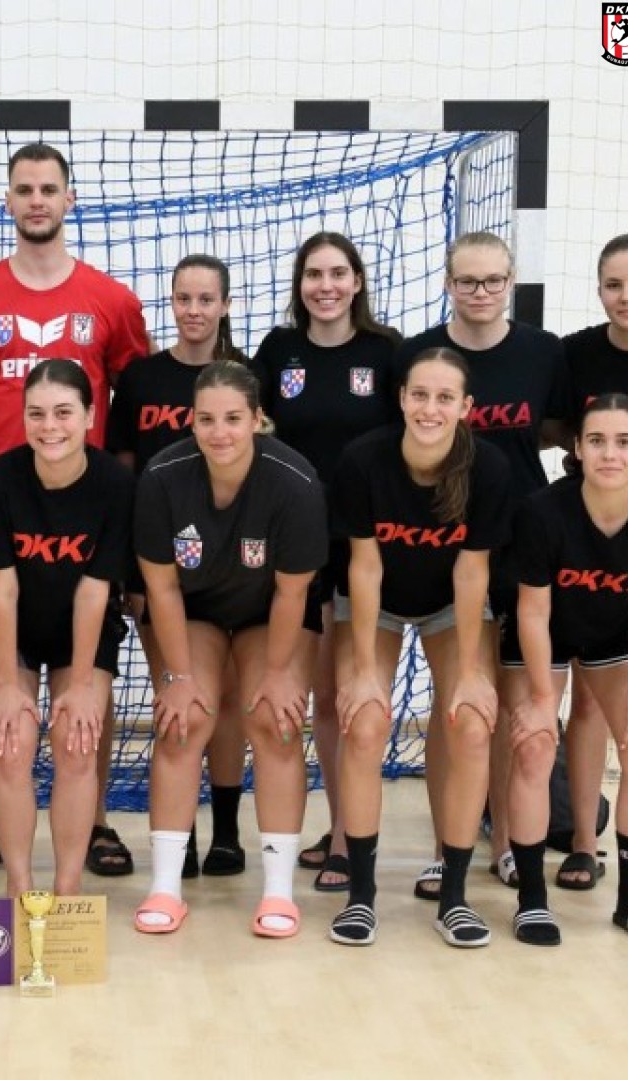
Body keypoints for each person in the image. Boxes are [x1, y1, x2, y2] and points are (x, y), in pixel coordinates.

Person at [0, 142, 149, 880]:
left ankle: (92, 823)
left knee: (81, 698)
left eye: (48, 188)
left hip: (84, 519)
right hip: (1, 515)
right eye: (24, 189)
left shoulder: (111, 300)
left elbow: (133, 407)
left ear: (69, 198)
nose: (36, 200)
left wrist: (122, 510)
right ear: (8, 200)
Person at [396, 231, 568, 897]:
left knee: (499, 700)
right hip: (441, 546)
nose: (480, 292)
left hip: (519, 546)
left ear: (511, 281)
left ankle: (502, 843)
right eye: (467, 280)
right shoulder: (419, 355)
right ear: (448, 283)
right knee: (456, 703)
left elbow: (558, 432)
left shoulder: (543, 353)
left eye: (494, 280)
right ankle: (447, 847)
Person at [133, 361, 327, 937]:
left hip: (270, 613)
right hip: (194, 611)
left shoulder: (295, 481)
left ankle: (278, 893)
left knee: (275, 719)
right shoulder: (162, 477)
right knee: (182, 719)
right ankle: (165, 888)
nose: (220, 432)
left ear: (258, 419)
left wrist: (279, 673)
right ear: (191, 421)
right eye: (207, 419)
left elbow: (293, 592)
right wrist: (179, 677)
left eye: (233, 419)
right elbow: (162, 588)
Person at [330, 347, 511, 947]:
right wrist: (363, 670)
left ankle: (453, 895)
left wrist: (472, 671)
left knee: (471, 723)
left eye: (444, 398)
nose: (430, 408)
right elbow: (364, 566)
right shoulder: (362, 460)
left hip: (449, 603)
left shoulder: (488, 468)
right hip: (375, 599)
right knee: (364, 721)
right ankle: (360, 896)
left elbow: (471, 570)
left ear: (466, 407)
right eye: (420, 395)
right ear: (402, 398)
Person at [251, 232, 402, 891]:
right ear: (300, 284)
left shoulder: (385, 351)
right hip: (294, 543)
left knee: (348, 695)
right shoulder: (278, 350)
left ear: (357, 281)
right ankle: (338, 828)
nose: (326, 286)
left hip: (362, 542)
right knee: (317, 701)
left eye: (338, 273)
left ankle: (347, 840)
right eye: (314, 274)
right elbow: (254, 432)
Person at [107, 253, 251, 878]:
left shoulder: (246, 375)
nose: (194, 311)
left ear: (225, 305)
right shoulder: (141, 379)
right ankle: (180, 835)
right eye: (183, 299)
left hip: (238, 570)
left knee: (229, 702)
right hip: (161, 567)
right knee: (180, 694)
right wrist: (129, 574)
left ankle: (227, 832)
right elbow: (122, 479)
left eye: (206, 299)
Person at [0, 360, 134, 898]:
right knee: (10, 742)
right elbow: (2, 591)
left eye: (64, 412)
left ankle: (66, 892)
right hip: (9, 627)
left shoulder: (115, 484)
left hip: (81, 628)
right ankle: (19, 888)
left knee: (77, 743)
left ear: (89, 415)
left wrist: (82, 685)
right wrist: (6, 686)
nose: (50, 426)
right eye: (36, 414)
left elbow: (94, 590)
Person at [504, 394, 628, 944]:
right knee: (535, 746)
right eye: (597, 441)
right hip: (543, 634)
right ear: (577, 448)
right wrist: (544, 702)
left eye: (623, 442)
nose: (610, 454)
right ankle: (531, 901)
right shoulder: (542, 511)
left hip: (612, 637)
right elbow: (532, 611)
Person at [557, 231, 628, 894]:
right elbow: (552, 430)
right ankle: (584, 843)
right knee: (589, 701)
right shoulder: (576, 355)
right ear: (598, 290)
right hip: (598, 538)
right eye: (614, 284)